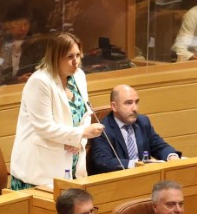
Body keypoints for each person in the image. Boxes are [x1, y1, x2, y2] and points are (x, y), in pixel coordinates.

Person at [9, 32, 104, 189]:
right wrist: (79, 134)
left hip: (70, 161)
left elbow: (85, 112)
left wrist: (79, 140)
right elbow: (44, 127)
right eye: (69, 57)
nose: (76, 62)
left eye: (78, 55)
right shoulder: (39, 82)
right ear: (55, 57)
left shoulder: (79, 76)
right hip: (39, 171)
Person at [90, 84, 180, 173]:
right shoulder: (102, 129)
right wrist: (136, 164)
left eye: (136, 102)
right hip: (117, 182)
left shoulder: (142, 122)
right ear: (114, 106)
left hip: (146, 177)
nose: (135, 108)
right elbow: (104, 161)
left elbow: (158, 146)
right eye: (128, 103)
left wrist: (171, 156)